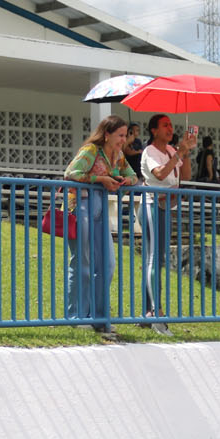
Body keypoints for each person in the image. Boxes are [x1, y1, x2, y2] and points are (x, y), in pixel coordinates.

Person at [62, 114, 137, 333]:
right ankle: (76, 316)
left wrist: (124, 181)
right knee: (82, 263)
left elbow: (133, 176)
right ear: (107, 134)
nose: (124, 140)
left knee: (108, 264)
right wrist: (100, 179)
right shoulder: (91, 151)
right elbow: (71, 173)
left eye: (125, 135)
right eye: (120, 135)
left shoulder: (118, 155)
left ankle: (99, 316)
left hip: (100, 210)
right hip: (82, 206)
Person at [139, 114, 192, 334]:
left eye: (171, 125)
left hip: (165, 208)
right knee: (153, 258)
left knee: (158, 259)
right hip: (151, 205)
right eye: (165, 125)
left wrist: (185, 152)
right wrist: (179, 152)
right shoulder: (150, 151)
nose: (170, 128)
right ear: (154, 130)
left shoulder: (171, 151)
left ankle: (147, 312)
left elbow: (185, 175)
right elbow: (160, 175)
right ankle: (154, 311)